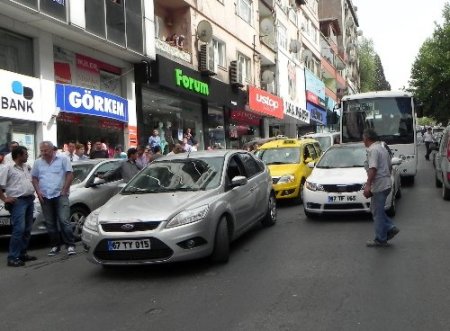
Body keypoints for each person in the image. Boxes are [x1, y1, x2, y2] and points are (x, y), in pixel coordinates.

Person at [31, 141, 76, 256]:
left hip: (60, 195)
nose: (43, 153)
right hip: (45, 196)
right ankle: (55, 246)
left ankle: (70, 245)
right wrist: (38, 192)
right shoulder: (37, 163)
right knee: (50, 223)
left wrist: (65, 190)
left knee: (64, 220)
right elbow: (34, 178)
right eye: (41, 150)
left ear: (52, 150)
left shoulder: (62, 159)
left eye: (45, 150)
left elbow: (69, 175)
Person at [363, 129, 400, 247]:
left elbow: (373, 168)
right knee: (376, 210)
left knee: (377, 212)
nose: (363, 140)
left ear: (367, 138)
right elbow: (389, 167)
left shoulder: (373, 150)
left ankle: (381, 238)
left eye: (363, 138)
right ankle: (388, 229)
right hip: (386, 183)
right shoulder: (382, 149)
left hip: (379, 185)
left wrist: (368, 184)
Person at [0, 146, 36, 267]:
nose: (27, 156)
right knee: (19, 229)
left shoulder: (26, 167)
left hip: (29, 200)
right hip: (18, 202)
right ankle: (12, 257)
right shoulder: (8, 168)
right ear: (19, 155)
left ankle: (22, 253)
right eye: (25, 154)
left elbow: (29, 182)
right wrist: (5, 198)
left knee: (27, 229)